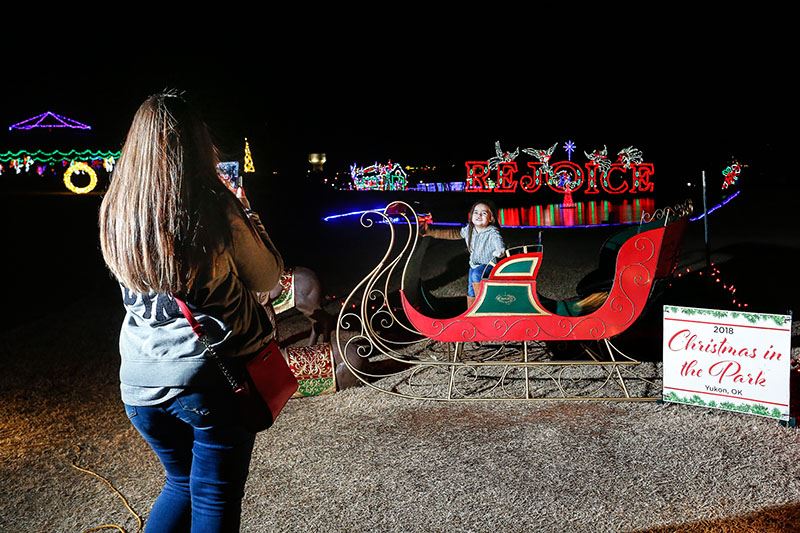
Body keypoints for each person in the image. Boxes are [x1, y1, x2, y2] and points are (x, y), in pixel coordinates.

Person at [98, 91, 283, 532]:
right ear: (197, 145)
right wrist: (246, 210)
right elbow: (267, 278)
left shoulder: (117, 210)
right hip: (208, 379)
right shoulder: (212, 205)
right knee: (214, 495)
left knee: (180, 483)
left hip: (139, 383)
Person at [423, 200, 505, 307]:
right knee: (471, 289)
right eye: (476, 212)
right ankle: (471, 309)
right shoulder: (469, 229)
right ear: (471, 215)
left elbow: (500, 246)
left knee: (476, 275)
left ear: (491, 218)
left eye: (484, 213)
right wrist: (431, 233)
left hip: (488, 266)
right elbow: (453, 234)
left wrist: (500, 251)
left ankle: (484, 305)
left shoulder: (493, 232)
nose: (479, 215)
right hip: (474, 265)